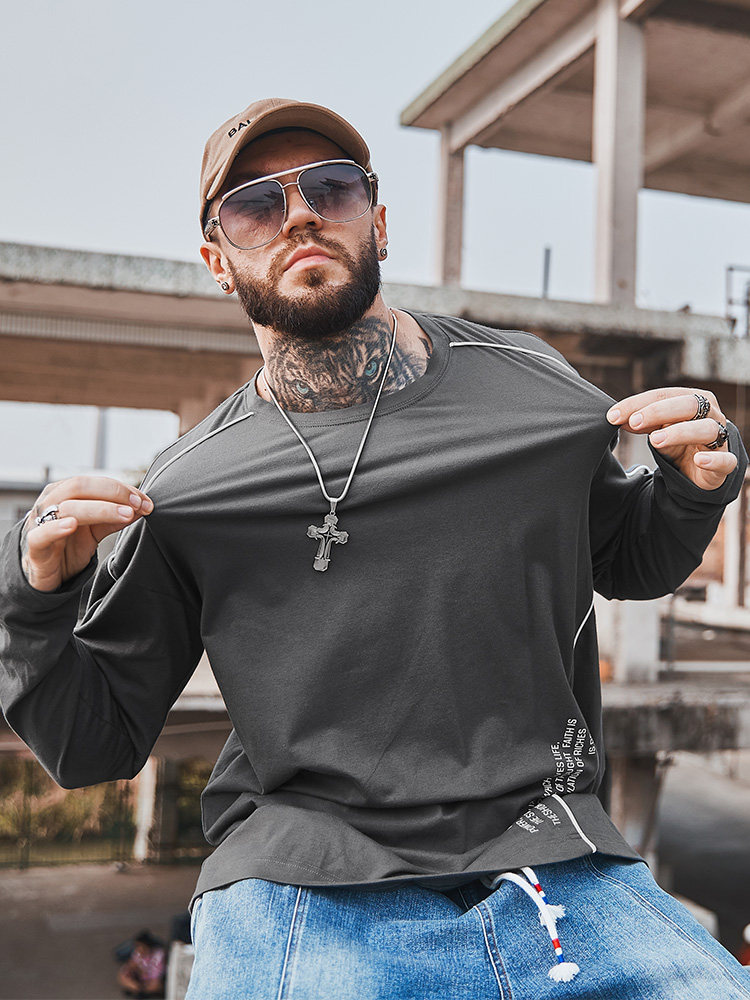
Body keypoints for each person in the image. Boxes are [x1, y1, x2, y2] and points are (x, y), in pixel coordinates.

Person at [1, 96, 750, 999]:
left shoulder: (533, 389)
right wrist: (33, 596)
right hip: (299, 877)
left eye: (331, 187)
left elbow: (631, 558)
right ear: (217, 262)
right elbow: (91, 745)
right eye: (254, 204)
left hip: (552, 851)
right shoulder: (189, 489)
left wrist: (695, 484)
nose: (300, 214)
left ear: (379, 222)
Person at [116, 929, 166, 998]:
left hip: (153, 980)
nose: (138, 949)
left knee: (156, 985)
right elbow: (130, 965)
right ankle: (137, 990)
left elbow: (156, 975)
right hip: (141, 980)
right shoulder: (138, 953)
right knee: (123, 976)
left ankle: (143, 992)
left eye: (140, 946)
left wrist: (143, 971)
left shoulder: (158, 954)